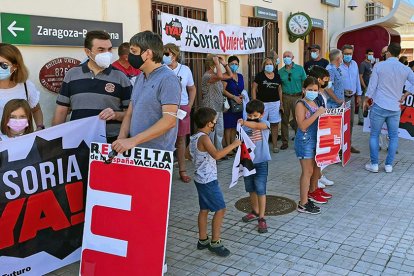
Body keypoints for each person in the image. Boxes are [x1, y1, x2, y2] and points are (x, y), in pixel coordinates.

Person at [53, 31, 132, 143]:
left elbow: (130, 115)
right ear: (87, 51)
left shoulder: (121, 77)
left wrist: (115, 115)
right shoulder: (72, 74)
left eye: (109, 49)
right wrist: (54, 140)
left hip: (110, 143)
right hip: (77, 142)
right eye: (101, 50)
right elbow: (61, 111)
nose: (107, 53)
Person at [111, 31, 181, 153]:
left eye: (133, 51)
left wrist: (133, 141)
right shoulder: (140, 77)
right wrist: (121, 139)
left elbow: (169, 121)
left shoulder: (168, 79)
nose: (130, 56)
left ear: (148, 53)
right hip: (136, 151)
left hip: (157, 154)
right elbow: (130, 113)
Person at [187, 107, 241, 257]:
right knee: (220, 209)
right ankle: (215, 242)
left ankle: (202, 239)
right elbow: (217, 155)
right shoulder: (204, 138)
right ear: (209, 123)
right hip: (208, 180)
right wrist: (234, 145)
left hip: (200, 178)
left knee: (204, 209)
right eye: (214, 122)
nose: (215, 124)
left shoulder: (194, 137)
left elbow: (187, 154)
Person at [364, 43, 414, 173]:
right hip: (395, 107)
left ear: (389, 52)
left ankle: (374, 164)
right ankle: (389, 165)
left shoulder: (379, 66)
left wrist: (366, 99)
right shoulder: (405, 69)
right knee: (393, 136)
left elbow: (372, 86)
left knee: (374, 135)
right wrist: (406, 93)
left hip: (379, 105)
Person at [294, 76, 330, 214]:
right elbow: (302, 125)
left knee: (315, 170)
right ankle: (303, 203)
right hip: (305, 140)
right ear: (304, 90)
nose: (313, 92)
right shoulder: (300, 104)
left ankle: (309, 196)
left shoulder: (315, 102)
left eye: (315, 90)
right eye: (310, 89)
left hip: (316, 140)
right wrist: (318, 114)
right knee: (307, 172)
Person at [163, 43, 196, 182]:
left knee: (181, 139)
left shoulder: (185, 70)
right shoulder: (160, 69)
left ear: (175, 55)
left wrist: (189, 105)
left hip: (182, 108)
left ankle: (182, 170)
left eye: (168, 53)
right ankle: (165, 169)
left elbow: (192, 89)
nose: (165, 56)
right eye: (164, 54)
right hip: (165, 108)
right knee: (165, 139)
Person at [238, 100, 271, 233]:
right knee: (251, 188)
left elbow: (259, 127)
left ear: (262, 114)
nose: (252, 118)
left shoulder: (265, 124)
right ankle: (255, 211)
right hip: (248, 163)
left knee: (261, 189)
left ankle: (262, 217)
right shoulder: (244, 127)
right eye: (249, 116)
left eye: (255, 116)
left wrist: (245, 122)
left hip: (261, 162)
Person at [0, 43, 44, 130]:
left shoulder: (26, 86)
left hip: (23, 140)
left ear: (15, 67)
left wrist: (39, 127)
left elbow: (36, 110)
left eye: (3, 65)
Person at [308, 66, 335, 189]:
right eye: (325, 80)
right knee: (315, 158)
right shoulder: (314, 96)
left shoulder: (322, 93)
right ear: (319, 80)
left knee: (320, 157)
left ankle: (319, 175)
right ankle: (315, 179)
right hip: (315, 130)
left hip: (323, 128)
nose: (327, 82)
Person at [200, 54, 232, 153]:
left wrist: (224, 64)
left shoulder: (217, 76)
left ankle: (218, 152)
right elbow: (219, 75)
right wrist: (218, 64)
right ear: (212, 64)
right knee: (211, 132)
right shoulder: (207, 76)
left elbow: (230, 75)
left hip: (218, 108)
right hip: (210, 108)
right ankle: (210, 153)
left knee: (219, 131)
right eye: (216, 63)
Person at [252, 57, 282, 152]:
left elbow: (279, 89)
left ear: (273, 66)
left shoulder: (277, 76)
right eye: (267, 64)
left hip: (275, 103)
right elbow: (253, 89)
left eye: (270, 64)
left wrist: (281, 103)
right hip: (262, 103)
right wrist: (254, 102)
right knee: (262, 124)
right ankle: (262, 146)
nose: (269, 66)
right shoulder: (259, 76)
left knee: (274, 124)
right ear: (263, 66)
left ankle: (275, 145)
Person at [278, 51, 307, 150]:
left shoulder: (300, 69)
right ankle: (285, 142)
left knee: (298, 119)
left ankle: (299, 140)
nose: (286, 58)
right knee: (284, 120)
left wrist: (305, 97)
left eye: (288, 56)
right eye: (284, 56)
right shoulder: (280, 71)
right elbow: (280, 87)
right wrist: (281, 101)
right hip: (285, 96)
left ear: (293, 57)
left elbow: (305, 83)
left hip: (297, 96)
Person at [340, 44, 362, 153]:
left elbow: (357, 79)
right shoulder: (338, 66)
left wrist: (358, 95)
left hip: (352, 97)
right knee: (341, 122)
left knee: (351, 122)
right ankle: (339, 147)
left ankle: (348, 144)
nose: (348, 56)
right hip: (341, 98)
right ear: (342, 54)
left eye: (350, 54)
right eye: (346, 54)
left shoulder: (354, 64)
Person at [223, 55, 244, 153]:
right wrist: (233, 97)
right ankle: (228, 147)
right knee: (228, 126)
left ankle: (233, 145)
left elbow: (242, 88)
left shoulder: (240, 76)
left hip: (238, 105)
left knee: (235, 125)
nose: (234, 66)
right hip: (229, 104)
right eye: (232, 64)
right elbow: (222, 90)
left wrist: (241, 96)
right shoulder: (225, 76)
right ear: (228, 65)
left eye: (236, 64)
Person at [358, 49, 375, 125]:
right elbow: (360, 76)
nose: (371, 55)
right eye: (369, 54)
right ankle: (361, 120)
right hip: (364, 87)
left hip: (369, 86)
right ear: (366, 54)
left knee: (367, 103)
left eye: (372, 54)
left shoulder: (370, 64)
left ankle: (365, 118)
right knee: (362, 103)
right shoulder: (363, 64)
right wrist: (364, 86)